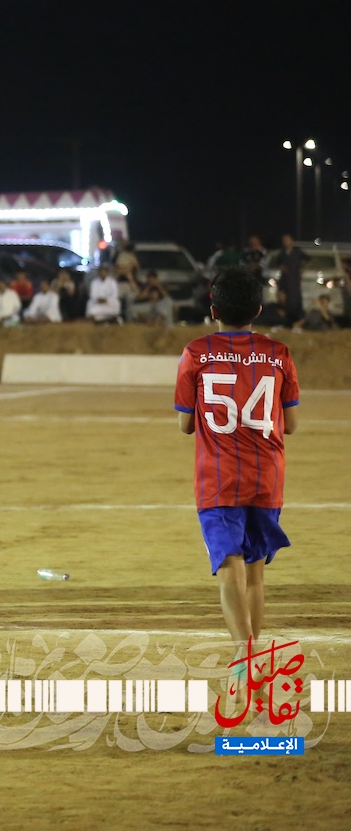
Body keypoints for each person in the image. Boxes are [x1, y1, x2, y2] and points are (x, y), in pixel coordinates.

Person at [174, 267, 298, 717]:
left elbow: (186, 424)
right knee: (256, 571)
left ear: (213, 310)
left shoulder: (196, 352)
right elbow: (291, 423)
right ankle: (254, 666)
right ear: (259, 309)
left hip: (219, 477)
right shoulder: (279, 353)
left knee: (229, 570)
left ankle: (244, 664)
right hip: (267, 476)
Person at [271, 235, 309, 323]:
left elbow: (309, 260)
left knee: (295, 298)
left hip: (294, 279)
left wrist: (303, 269)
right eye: (284, 240)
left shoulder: (297, 252)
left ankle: (296, 318)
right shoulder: (282, 252)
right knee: (283, 297)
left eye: (287, 240)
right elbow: (277, 262)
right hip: (284, 279)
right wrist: (281, 267)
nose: (285, 242)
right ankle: (284, 318)